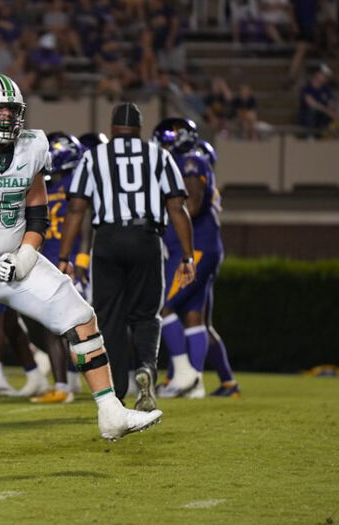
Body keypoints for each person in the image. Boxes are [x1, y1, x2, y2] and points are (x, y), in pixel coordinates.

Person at [0, 75, 162, 472]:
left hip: (15, 260)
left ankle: (111, 412)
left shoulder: (32, 146)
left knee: (82, 319)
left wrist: (26, 254)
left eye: (11, 110)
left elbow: (38, 212)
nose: (5, 118)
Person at [58, 102, 196, 412]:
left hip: (106, 239)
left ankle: (116, 391)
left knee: (109, 318)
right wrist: (188, 256)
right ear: (139, 128)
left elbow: (77, 209)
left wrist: (65, 256)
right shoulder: (159, 156)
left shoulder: (94, 158)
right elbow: (177, 207)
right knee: (146, 315)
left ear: (112, 128)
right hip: (146, 238)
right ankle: (146, 367)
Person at [151, 121, 235, 399]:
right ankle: (195, 383)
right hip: (199, 247)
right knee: (194, 317)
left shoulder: (190, 162)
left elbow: (193, 204)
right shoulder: (189, 161)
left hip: (193, 249)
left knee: (161, 305)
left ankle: (184, 375)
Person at [29, 131, 89, 404]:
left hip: (63, 265)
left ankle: (64, 386)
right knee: (74, 328)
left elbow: (84, 224)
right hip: (66, 264)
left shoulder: (54, 189)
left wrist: (80, 261)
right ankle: (72, 382)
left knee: (61, 329)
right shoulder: (60, 186)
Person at [196, 140, 241, 397]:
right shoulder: (208, 181)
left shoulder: (197, 180)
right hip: (209, 253)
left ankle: (186, 377)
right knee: (202, 322)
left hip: (201, 253)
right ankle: (227, 381)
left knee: (178, 313)